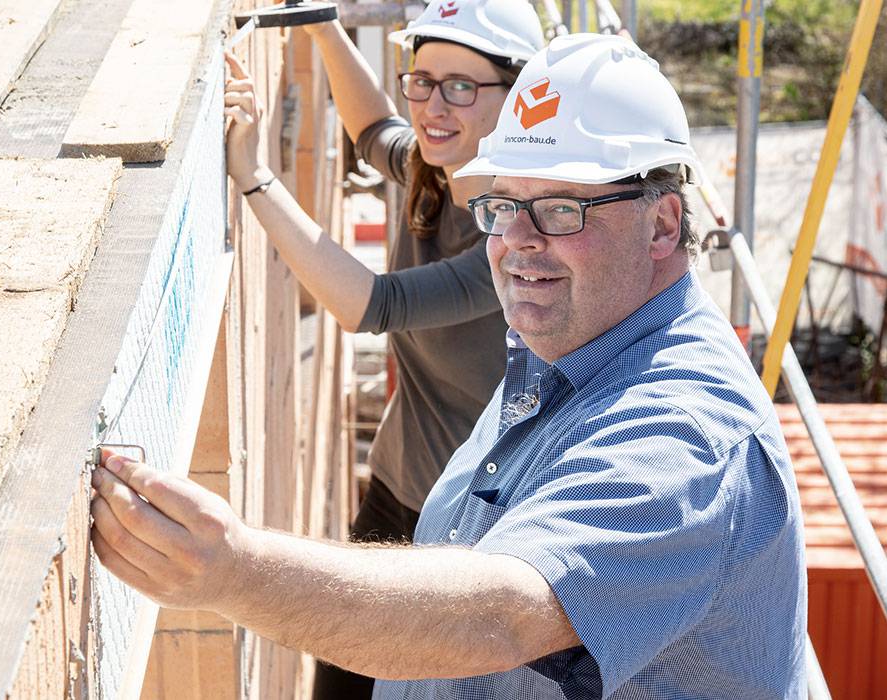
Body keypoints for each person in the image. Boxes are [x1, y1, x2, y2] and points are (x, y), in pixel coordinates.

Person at [96, 33, 807, 699]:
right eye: (503, 205)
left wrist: (234, 571)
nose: (517, 242)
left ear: (661, 225)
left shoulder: (686, 437)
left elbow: (502, 617)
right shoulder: (569, 340)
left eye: (561, 209)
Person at [225, 3, 543, 694]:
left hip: (468, 532)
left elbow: (372, 304)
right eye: (421, 79)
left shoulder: (515, 231)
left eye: (462, 86)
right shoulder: (439, 169)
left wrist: (253, 174)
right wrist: (319, 24)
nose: (434, 104)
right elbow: (373, 131)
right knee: (338, 682)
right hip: (396, 492)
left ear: (517, 99)